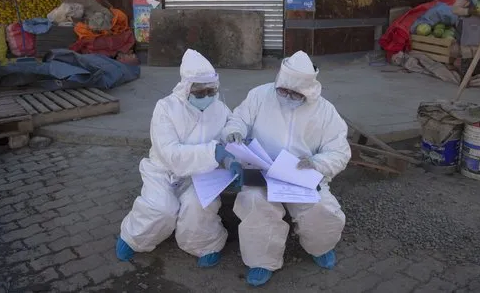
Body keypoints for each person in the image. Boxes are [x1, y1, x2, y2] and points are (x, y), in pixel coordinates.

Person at [222, 51, 351, 287]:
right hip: (261, 170)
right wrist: (235, 130)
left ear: (309, 91)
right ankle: (262, 260)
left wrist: (317, 163)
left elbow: (340, 151)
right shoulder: (260, 95)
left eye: (295, 93)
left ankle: (320, 247)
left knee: (322, 209)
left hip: (301, 174)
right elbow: (238, 118)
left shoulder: (325, 111)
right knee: (255, 204)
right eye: (283, 90)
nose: (288, 96)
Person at [116, 49, 242, 267]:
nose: (207, 96)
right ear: (187, 88)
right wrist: (214, 153)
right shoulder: (166, 108)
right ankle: (133, 237)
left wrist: (232, 136)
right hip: (164, 171)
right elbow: (170, 153)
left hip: (201, 174)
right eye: (200, 92)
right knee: (160, 209)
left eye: (211, 91)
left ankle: (205, 244)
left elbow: (229, 123)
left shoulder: (218, 107)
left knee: (199, 207)